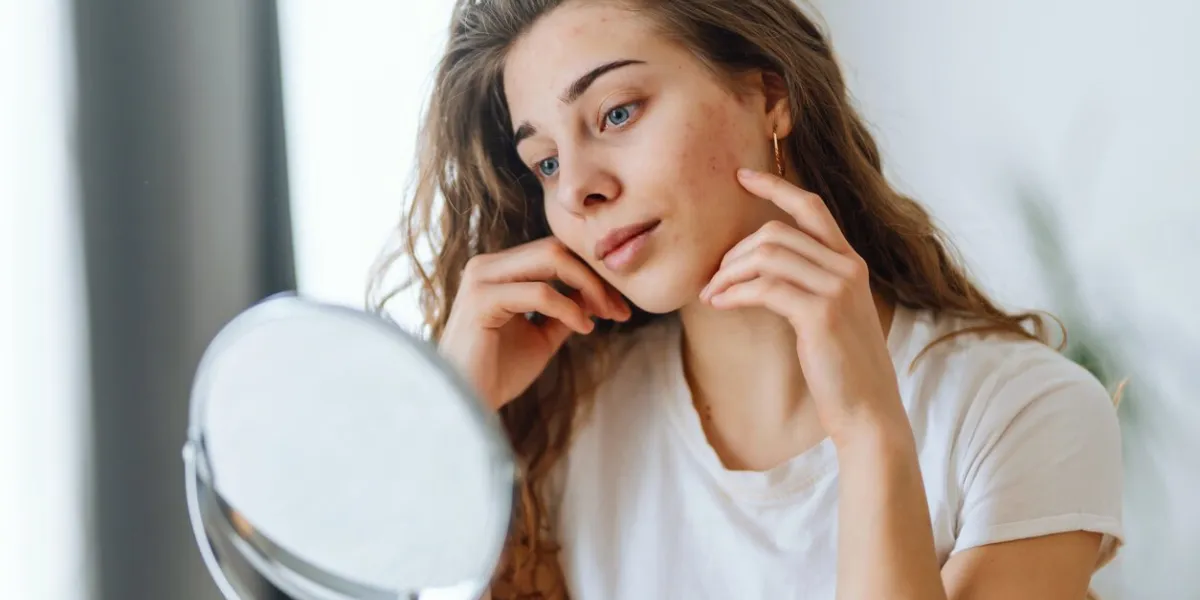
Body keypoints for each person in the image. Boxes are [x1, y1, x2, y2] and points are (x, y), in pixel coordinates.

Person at [371, 1, 1124, 598]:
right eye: (544, 160)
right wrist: (453, 418)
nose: (577, 188)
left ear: (769, 96)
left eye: (618, 112)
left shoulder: (1019, 410)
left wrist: (869, 432)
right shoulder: (572, 417)